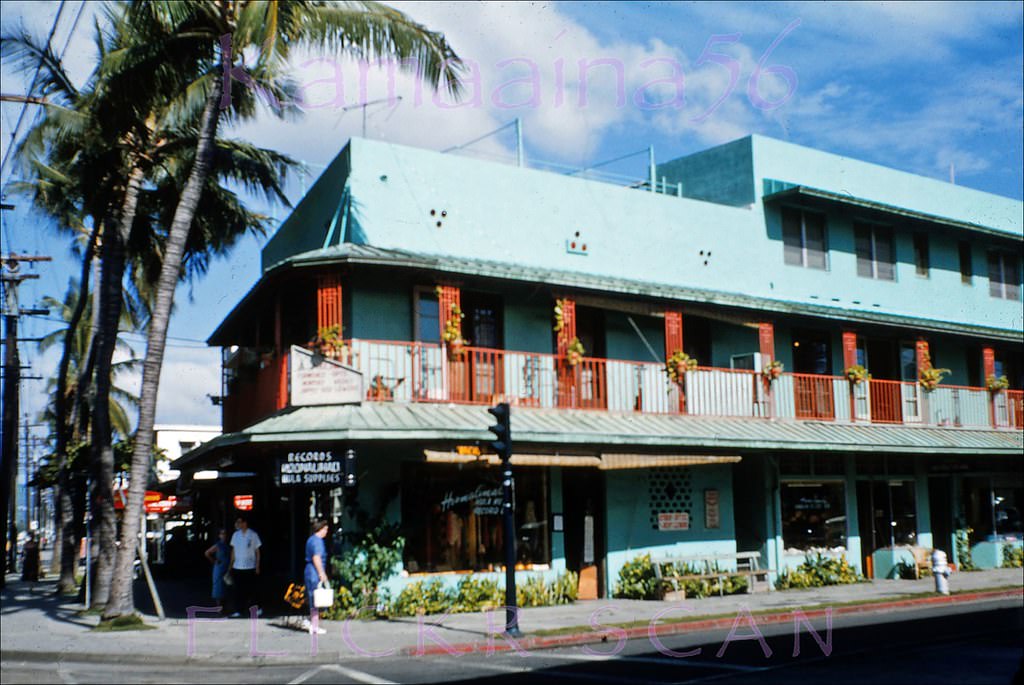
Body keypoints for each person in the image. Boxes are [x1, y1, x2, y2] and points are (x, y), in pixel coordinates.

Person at [228, 515, 262, 618]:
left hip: (250, 566)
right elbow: (233, 550)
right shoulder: (235, 535)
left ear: (244, 523)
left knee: (251, 589)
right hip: (237, 566)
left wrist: (257, 565)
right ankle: (238, 610)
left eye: (239, 522)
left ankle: (256, 609)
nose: (238, 524)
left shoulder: (253, 535)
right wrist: (231, 564)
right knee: (238, 590)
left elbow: (257, 551)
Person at [302, 519, 330, 635]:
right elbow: (316, 558)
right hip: (314, 572)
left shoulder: (311, 540)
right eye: (326, 529)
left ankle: (311, 622)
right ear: (321, 529)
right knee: (316, 599)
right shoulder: (318, 542)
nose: (327, 532)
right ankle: (313, 626)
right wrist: (322, 573)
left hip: (309, 571)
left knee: (313, 598)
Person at [204, 528, 230, 611]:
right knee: (218, 588)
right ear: (219, 535)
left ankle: (225, 607)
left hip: (227, 567)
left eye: (225, 534)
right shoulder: (218, 545)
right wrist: (214, 561)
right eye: (222, 534)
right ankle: (219, 608)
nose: (224, 536)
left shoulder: (230, 545)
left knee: (227, 586)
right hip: (219, 567)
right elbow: (207, 553)